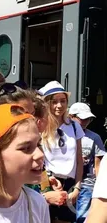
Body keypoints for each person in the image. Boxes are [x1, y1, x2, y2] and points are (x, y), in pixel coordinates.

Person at [39, 81, 84, 223]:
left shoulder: (75, 126)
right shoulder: (42, 126)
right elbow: (39, 159)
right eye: (54, 102)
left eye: (63, 101)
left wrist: (77, 187)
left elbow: (79, 160)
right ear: (47, 103)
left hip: (69, 185)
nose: (59, 106)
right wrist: (48, 181)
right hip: (48, 183)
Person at [69, 102, 105, 223]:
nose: (85, 122)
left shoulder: (94, 137)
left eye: (88, 119)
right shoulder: (63, 134)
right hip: (66, 182)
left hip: (87, 183)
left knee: (82, 216)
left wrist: (100, 185)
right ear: (71, 117)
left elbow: (98, 163)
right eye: (82, 119)